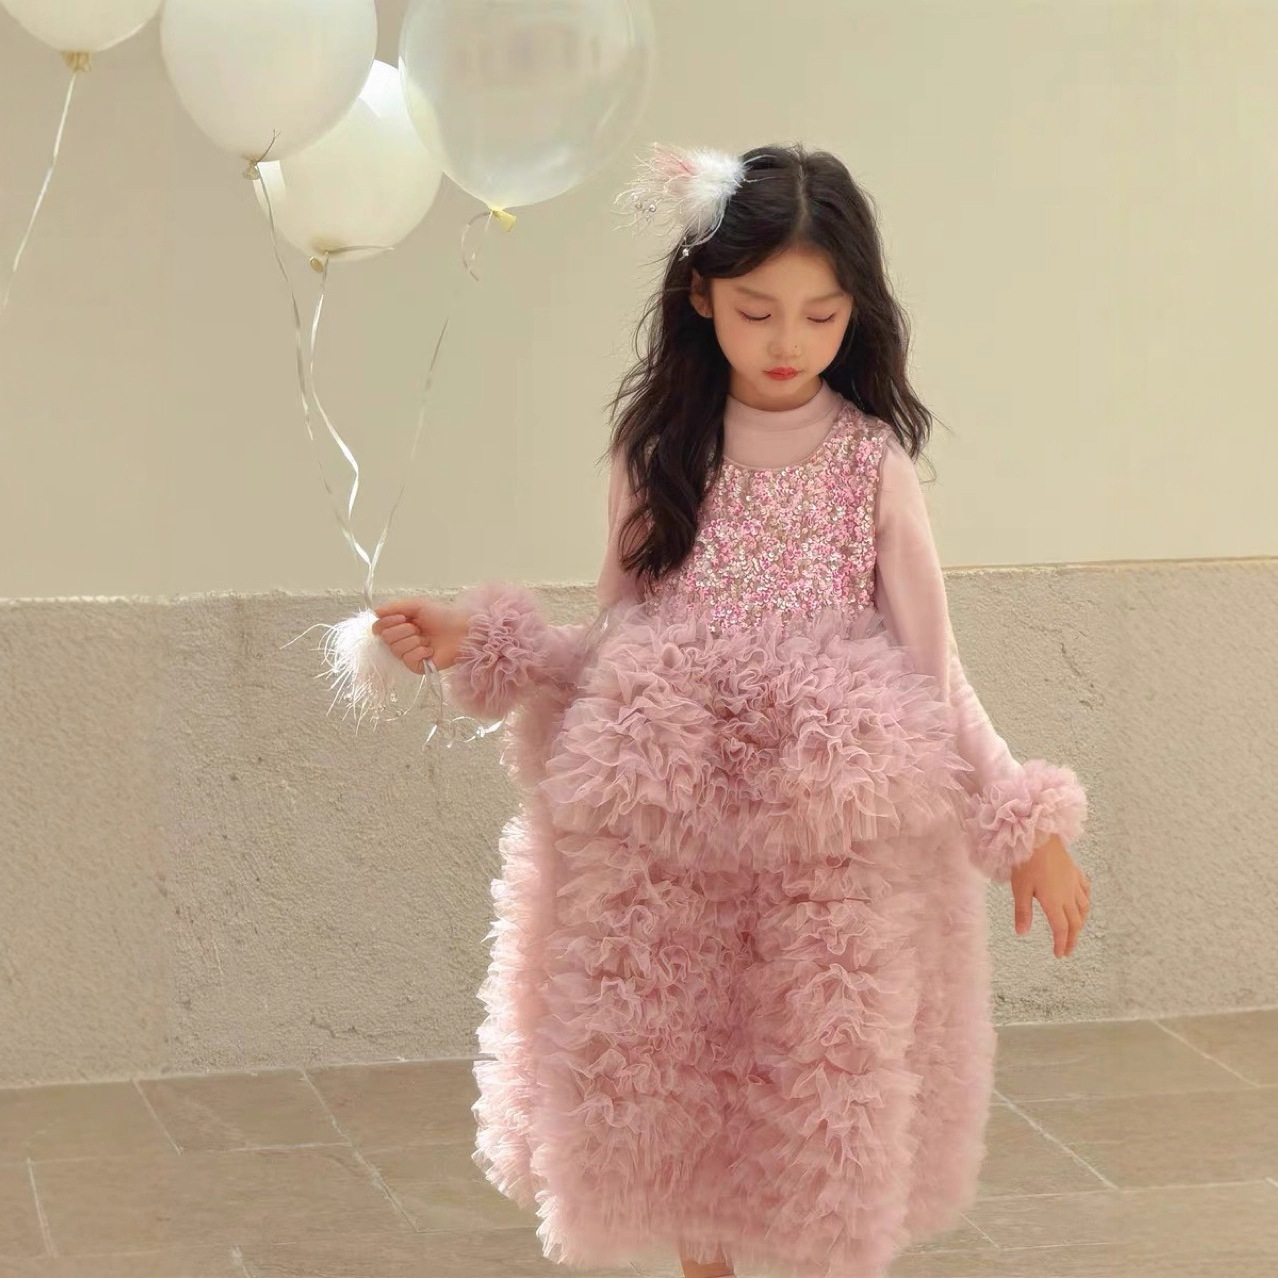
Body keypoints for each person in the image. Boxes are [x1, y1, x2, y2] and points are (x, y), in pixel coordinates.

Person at [373, 143, 1091, 1278]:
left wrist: (1022, 820)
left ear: (857, 311)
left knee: (814, 1088)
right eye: (758, 310)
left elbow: (933, 667)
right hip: (677, 832)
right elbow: (615, 644)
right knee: (681, 1086)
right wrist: (485, 638)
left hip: (824, 837)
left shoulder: (868, 465)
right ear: (703, 296)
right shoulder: (659, 452)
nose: (788, 340)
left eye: (821, 314)